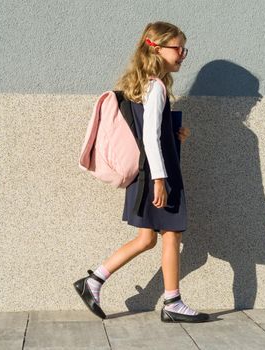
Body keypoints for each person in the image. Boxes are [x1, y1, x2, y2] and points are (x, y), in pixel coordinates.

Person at [73, 21, 209, 323]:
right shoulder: (156, 86)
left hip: (145, 174)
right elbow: (148, 137)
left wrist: (173, 134)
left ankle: (93, 281)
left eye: (184, 48)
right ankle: (172, 302)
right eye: (178, 48)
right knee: (171, 233)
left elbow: (150, 132)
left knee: (147, 238)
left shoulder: (142, 83)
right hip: (157, 176)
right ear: (158, 49)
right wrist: (161, 180)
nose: (183, 54)